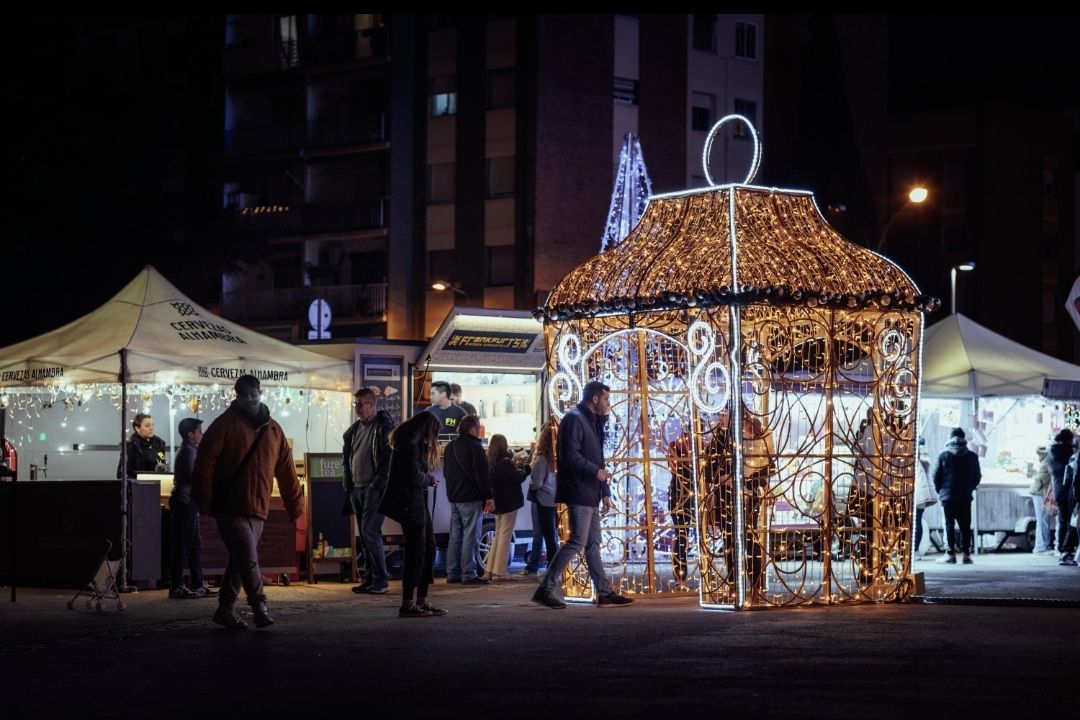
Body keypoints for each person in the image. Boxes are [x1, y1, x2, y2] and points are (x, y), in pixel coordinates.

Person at [191, 375, 303, 629]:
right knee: (248, 557)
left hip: (258, 508)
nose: (250, 399)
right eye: (245, 395)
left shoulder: (273, 430)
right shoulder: (224, 426)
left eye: (254, 394)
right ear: (237, 396)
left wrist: (294, 503)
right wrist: (204, 499)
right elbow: (204, 464)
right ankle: (259, 605)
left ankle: (225, 609)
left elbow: (286, 469)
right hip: (230, 507)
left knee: (240, 558)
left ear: (260, 393)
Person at [532, 381, 633, 609]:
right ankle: (545, 588)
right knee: (578, 541)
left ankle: (605, 592)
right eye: (606, 399)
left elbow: (598, 459)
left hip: (590, 491)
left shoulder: (591, 421)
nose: (609, 404)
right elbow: (569, 456)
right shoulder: (574, 419)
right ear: (595, 399)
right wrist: (595, 473)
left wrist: (604, 490)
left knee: (593, 543)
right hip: (579, 490)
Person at [378, 411, 447, 617]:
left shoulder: (410, 445)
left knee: (428, 548)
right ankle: (408, 602)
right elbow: (414, 476)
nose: (433, 439)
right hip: (410, 503)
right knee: (417, 551)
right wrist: (429, 480)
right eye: (433, 434)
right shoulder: (409, 446)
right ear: (426, 430)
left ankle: (422, 599)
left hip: (415, 502)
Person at [343, 387, 395, 595]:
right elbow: (347, 457)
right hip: (357, 487)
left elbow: (388, 459)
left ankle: (381, 579)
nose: (357, 408)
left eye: (360, 404)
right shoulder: (355, 430)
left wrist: (378, 483)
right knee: (366, 535)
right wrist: (348, 481)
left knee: (369, 531)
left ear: (372, 405)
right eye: (355, 404)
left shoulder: (383, 427)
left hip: (373, 488)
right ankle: (370, 578)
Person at [443, 414, 493, 585]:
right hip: (470, 497)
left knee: (455, 536)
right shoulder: (475, 447)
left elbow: (446, 473)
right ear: (473, 429)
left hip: (454, 497)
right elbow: (482, 475)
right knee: (471, 536)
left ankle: (452, 573)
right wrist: (488, 496)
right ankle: (469, 573)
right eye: (478, 427)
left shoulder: (450, 447)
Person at [168, 418, 215, 599]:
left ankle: (197, 583)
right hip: (184, 502)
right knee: (182, 544)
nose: (202, 434)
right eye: (199, 431)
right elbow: (194, 477)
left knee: (194, 544)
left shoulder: (192, 450)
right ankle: (177, 585)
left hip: (190, 502)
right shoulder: (188, 451)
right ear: (190, 435)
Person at [932, 427, 982, 565]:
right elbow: (977, 476)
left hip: (947, 497)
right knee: (965, 526)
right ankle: (966, 555)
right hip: (965, 496)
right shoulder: (972, 456)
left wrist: (940, 491)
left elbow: (936, 476)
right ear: (963, 438)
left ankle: (950, 554)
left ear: (950, 437)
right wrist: (970, 488)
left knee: (949, 525)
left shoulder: (943, 455)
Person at [483, 434, 525, 581]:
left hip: (498, 504)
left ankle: (489, 570)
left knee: (498, 536)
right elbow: (518, 478)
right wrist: (520, 465)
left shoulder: (490, 462)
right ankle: (500, 573)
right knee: (504, 537)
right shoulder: (506, 462)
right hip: (509, 503)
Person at [520, 422, 559, 577]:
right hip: (555, 500)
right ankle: (553, 566)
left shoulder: (541, 459)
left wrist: (530, 482)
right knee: (552, 536)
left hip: (541, 500)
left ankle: (534, 566)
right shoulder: (559, 458)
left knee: (540, 534)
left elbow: (536, 483)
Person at [666, 431, 694, 589]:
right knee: (682, 535)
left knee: (684, 535)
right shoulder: (675, 448)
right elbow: (675, 468)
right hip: (679, 496)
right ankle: (679, 578)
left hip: (688, 495)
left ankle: (681, 577)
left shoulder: (694, 448)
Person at [1048, 429, 1078, 566]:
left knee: (1064, 519)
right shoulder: (1066, 452)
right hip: (1066, 489)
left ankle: (1062, 549)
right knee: (1070, 520)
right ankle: (1066, 551)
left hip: (1059, 488)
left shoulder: (1053, 450)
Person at [118, 413, 167, 479]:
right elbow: (121, 474)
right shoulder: (130, 447)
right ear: (137, 428)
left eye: (152, 425)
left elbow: (163, 467)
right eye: (147, 426)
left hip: (157, 485)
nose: (151, 428)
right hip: (138, 487)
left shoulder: (159, 444)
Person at [912, 437, 937, 560]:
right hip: (920, 492)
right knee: (917, 521)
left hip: (917, 491)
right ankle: (914, 550)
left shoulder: (918, 456)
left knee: (915, 521)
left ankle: (914, 550)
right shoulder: (923, 457)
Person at [1027, 446, 1055, 555]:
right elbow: (1042, 478)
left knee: (1043, 520)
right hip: (1040, 493)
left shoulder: (1044, 460)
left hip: (1039, 492)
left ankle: (1042, 546)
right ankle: (1041, 547)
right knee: (1043, 520)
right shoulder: (1048, 460)